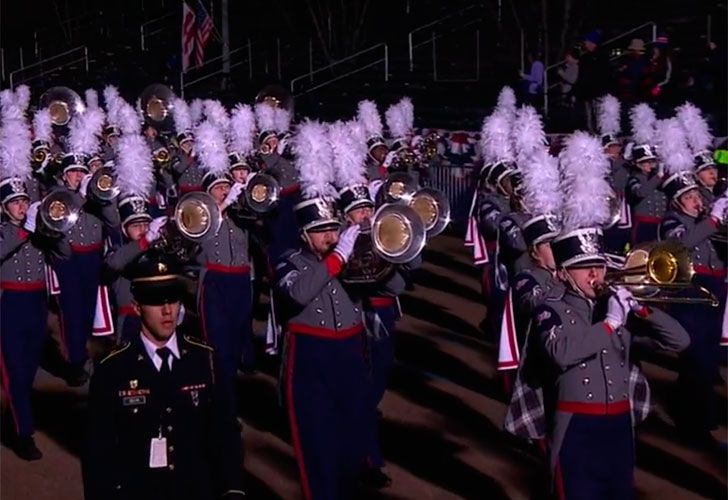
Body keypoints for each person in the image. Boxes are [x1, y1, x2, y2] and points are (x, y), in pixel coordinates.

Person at [505, 132, 690, 500]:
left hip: (620, 428)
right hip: (577, 429)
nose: (595, 275)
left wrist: (639, 307)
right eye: (584, 268)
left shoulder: (615, 308)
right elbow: (563, 352)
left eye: (599, 266)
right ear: (562, 273)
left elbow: (679, 341)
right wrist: (611, 324)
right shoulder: (552, 308)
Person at [82, 251, 245, 500]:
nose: (167, 310)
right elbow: (98, 451)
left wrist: (232, 489)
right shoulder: (113, 368)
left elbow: (226, 432)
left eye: (173, 298)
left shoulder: (205, 359)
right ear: (137, 306)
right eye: (156, 300)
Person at [276, 120, 369, 500]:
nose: (331, 237)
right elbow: (298, 294)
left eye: (334, 229)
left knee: (351, 445)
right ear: (304, 234)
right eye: (321, 231)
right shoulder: (289, 261)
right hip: (310, 359)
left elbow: (397, 284)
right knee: (316, 447)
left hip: (349, 353)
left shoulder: (350, 257)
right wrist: (338, 260)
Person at [0, 170, 71, 461]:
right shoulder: (5, 230)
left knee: (28, 371)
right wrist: (25, 229)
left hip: (36, 303)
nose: (20, 206)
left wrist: (52, 230)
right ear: (4, 207)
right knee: (14, 373)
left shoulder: (38, 230)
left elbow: (65, 256)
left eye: (23, 200)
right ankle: (23, 434)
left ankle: (17, 416)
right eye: (14, 202)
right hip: (10, 304)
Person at [659, 167, 727, 447]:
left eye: (696, 194)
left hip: (715, 290)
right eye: (689, 196)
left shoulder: (704, 220)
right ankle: (695, 425)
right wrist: (712, 219)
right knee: (695, 357)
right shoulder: (671, 221)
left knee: (707, 358)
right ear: (677, 201)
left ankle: (697, 414)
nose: (696, 200)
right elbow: (682, 245)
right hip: (692, 291)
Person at [626, 144, 665, 244]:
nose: (651, 165)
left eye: (652, 162)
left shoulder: (657, 180)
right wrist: (657, 177)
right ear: (638, 164)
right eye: (647, 162)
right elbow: (640, 192)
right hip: (643, 226)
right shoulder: (634, 179)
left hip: (660, 225)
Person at [574, 30, 610, 132]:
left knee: (598, 117)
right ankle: (591, 134)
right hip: (587, 93)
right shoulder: (586, 57)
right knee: (588, 118)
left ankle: (599, 135)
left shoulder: (601, 57)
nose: (584, 43)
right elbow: (582, 76)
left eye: (586, 41)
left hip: (597, 92)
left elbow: (603, 75)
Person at [616, 39, 648, 105]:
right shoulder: (626, 60)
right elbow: (619, 73)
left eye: (638, 50)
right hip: (627, 90)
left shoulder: (642, 61)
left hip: (637, 90)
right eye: (635, 49)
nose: (636, 51)